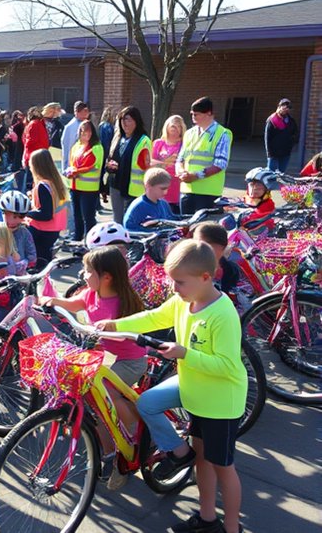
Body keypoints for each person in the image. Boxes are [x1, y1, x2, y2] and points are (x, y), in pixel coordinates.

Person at [97, 240, 246, 533]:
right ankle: (206, 518)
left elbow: (229, 367)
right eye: (172, 281)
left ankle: (231, 529)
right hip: (194, 390)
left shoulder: (223, 314)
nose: (174, 288)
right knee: (191, 449)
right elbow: (153, 317)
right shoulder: (183, 300)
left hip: (219, 402)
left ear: (206, 277)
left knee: (222, 468)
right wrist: (116, 325)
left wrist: (184, 353)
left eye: (179, 282)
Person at [40, 245, 147, 488]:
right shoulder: (91, 294)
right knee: (89, 398)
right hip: (105, 357)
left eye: (89, 271)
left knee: (102, 394)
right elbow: (74, 304)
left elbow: (133, 332)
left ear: (106, 277)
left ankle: (132, 425)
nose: (84, 275)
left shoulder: (122, 304)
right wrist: (50, 301)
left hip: (129, 362)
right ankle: (109, 450)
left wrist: (110, 329)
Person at [177, 97, 231, 216]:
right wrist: (181, 172)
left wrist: (195, 176)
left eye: (197, 114)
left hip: (208, 193)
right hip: (187, 190)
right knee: (185, 229)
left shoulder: (223, 133)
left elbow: (220, 164)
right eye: (192, 114)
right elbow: (180, 158)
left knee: (204, 231)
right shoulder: (189, 133)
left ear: (209, 113)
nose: (193, 117)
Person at [104, 106, 152, 223]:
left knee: (130, 222)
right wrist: (109, 166)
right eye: (122, 120)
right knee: (117, 221)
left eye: (128, 120)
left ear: (136, 121)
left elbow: (146, 166)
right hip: (116, 185)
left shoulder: (143, 140)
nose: (124, 123)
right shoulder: (118, 138)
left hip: (134, 189)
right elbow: (111, 158)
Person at [24, 149, 68, 268]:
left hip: (42, 230)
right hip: (54, 229)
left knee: (37, 264)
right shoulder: (55, 182)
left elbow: (46, 214)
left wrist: (27, 213)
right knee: (46, 264)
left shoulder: (42, 186)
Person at [64, 119, 104, 240]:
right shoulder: (77, 146)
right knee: (77, 216)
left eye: (88, 130)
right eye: (82, 131)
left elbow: (95, 166)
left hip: (89, 188)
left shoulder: (96, 147)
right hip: (75, 186)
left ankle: (90, 240)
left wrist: (77, 171)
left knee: (88, 217)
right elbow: (72, 163)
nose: (85, 133)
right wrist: (70, 171)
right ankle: (77, 237)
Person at [123, 168, 177, 232]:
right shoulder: (138, 206)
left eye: (167, 188)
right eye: (162, 189)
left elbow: (172, 220)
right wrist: (153, 231)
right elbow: (129, 229)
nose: (165, 192)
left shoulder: (164, 204)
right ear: (148, 186)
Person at [191, 222, 240, 293]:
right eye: (197, 246)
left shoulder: (231, 270)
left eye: (208, 247)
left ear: (223, 247)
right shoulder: (190, 270)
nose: (202, 251)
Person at [151, 114, 185, 214]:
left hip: (176, 186)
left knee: (174, 213)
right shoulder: (158, 143)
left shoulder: (184, 144)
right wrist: (165, 163)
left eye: (179, 126)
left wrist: (162, 164)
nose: (176, 129)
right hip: (159, 184)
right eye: (173, 126)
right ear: (167, 127)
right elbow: (151, 162)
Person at [0, 190, 37, 268]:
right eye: (10, 216)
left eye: (20, 217)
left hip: (19, 275)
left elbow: (32, 254)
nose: (14, 221)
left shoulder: (24, 233)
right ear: (3, 213)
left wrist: (26, 263)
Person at [264, 98, 298, 173]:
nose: (286, 109)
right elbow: (267, 137)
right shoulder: (272, 120)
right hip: (273, 152)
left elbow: (295, 133)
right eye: (284, 106)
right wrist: (269, 153)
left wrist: (291, 143)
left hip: (286, 151)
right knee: (270, 173)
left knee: (281, 174)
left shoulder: (291, 120)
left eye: (288, 107)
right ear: (279, 107)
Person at [240, 167, 278, 234]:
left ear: (267, 190)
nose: (254, 189)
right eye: (251, 185)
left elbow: (261, 218)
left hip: (260, 237)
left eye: (259, 186)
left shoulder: (268, 204)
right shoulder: (244, 199)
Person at [20, 106, 48, 191]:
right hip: (36, 157)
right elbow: (30, 142)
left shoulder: (33, 124)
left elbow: (28, 143)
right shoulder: (37, 124)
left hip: (34, 157)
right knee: (33, 182)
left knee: (32, 182)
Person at [60, 101, 89, 171]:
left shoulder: (87, 125)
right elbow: (68, 148)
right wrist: (67, 167)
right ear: (77, 112)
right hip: (73, 164)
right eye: (84, 111)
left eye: (87, 111)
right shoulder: (70, 127)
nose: (86, 113)